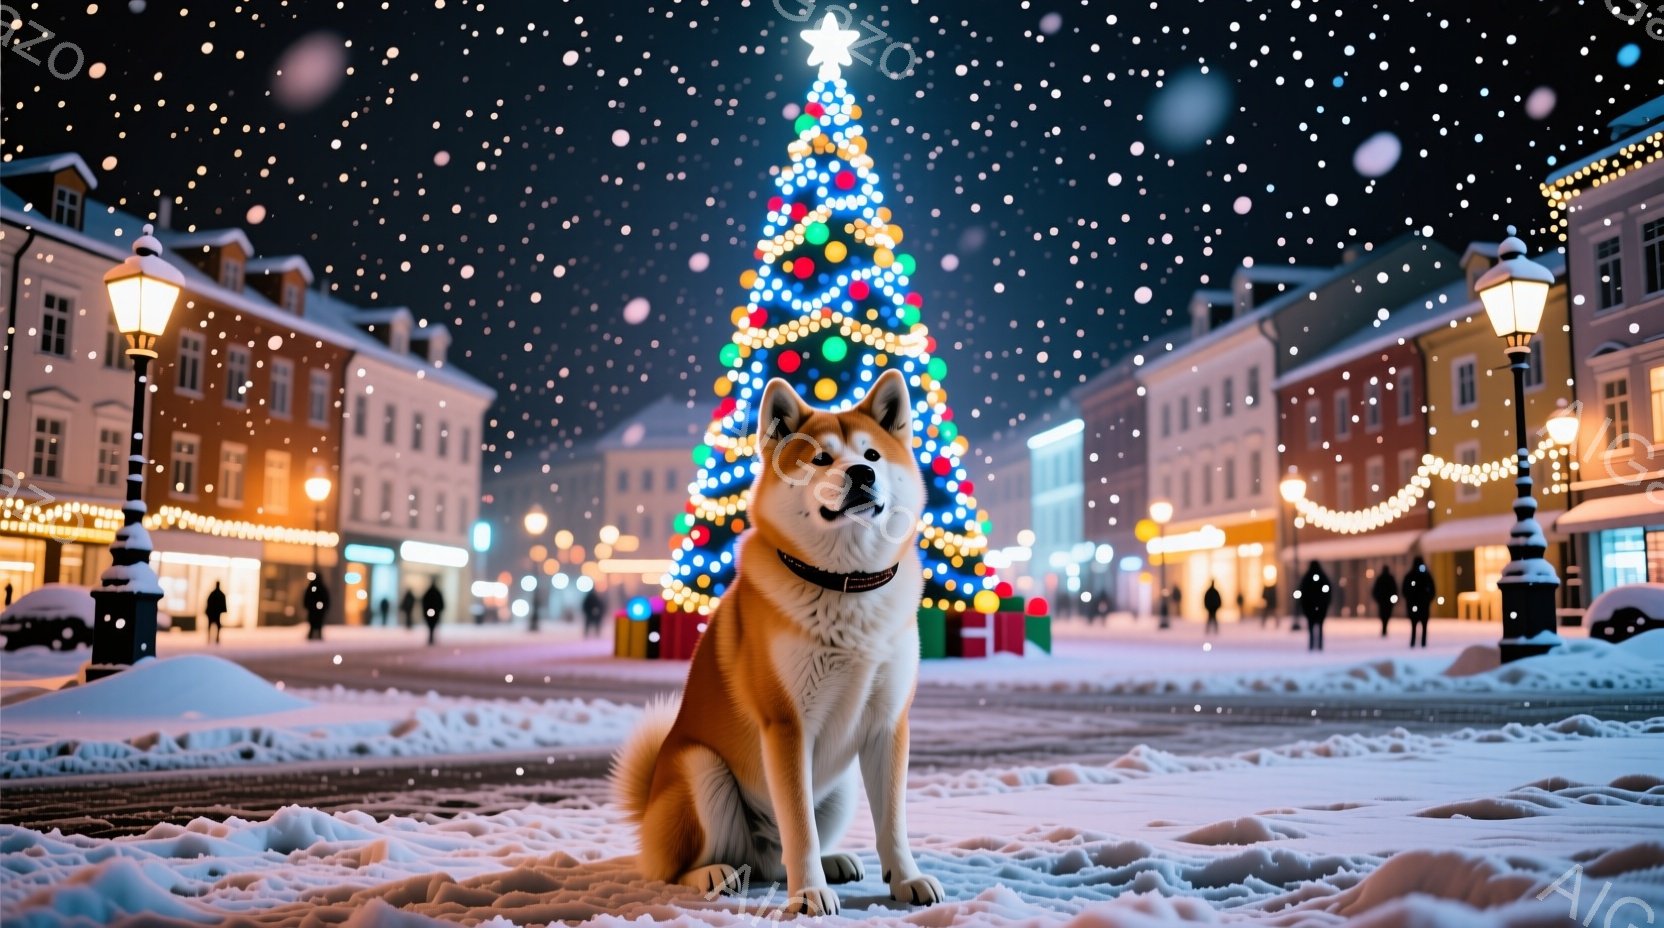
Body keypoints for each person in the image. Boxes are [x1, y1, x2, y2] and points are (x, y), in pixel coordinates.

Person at [1298, 560, 1333, 651]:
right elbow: (1328, 592)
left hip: (1311, 607)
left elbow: (1302, 592)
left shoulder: (1307, 578)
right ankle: (1319, 645)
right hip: (1319, 607)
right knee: (1319, 627)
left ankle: (1312, 645)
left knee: (1311, 627)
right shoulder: (1321, 577)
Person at [1402, 556, 1435, 648]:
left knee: (1414, 625)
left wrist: (1410, 599)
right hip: (1423, 604)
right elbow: (1432, 589)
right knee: (1423, 625)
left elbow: (1405, 590)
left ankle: (1413, 642)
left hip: (1415, 604)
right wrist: (1428, 599)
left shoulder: (1410, 576)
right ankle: (1422, 643)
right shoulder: (1426, 576)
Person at [1372, 566, 1399, 638]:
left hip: (1382, 601)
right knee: (1387, 615)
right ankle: (1384, 628)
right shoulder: (1390, 578)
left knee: (1383, 615)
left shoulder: (1380, 578)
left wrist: (1378, 598)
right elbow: (1395, 590)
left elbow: (1375, 590)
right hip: (1388, 601)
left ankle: (1384, 628)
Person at [305, 575, 330, 641]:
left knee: (314, 624)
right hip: (316, 610)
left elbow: (307, 598)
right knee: (317, 624)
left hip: (314, 609)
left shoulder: (313, 587)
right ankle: (316, 636)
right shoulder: (318, 587)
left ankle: (313, 636)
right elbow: (326, 599)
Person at [421, 579, 445, 646]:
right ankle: (431, 637)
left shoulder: (428, 592)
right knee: (432, 625)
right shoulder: (437, 592)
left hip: (431, 611)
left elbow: (424, 602)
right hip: (435, 612)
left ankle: (431, 637)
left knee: (430, 626)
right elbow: (441, 603)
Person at [204, 580, 228, 645]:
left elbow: (208, 602)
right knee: (217, 626)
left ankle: (211, 638)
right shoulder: (221, 594)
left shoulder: (213, 594)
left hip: (212, 613)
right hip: (216, 613)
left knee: (211, 626)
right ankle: (215, 638)